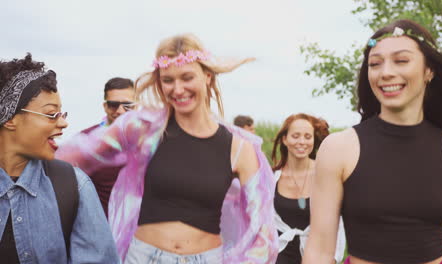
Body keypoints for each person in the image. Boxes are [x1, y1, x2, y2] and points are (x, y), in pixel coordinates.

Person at [57, 33, 278, 263]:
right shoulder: (143, 129)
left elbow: (263, 229)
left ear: (208, 77)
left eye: (187, 77)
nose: (178, 89)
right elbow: (77, 154)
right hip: (144, 256)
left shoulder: (240, 149)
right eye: (168, 80)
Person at [303, 19, 442, 264]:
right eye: (375, 63)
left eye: (401, 60)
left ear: (429, 70)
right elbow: (319, 251)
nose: (386, 72)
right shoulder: (339, 149)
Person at [0, 54, 119, 263]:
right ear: (10, 118)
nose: (63, 124)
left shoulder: (75, 185)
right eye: (51, 114)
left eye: (62, 114)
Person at [271, 113, 345, 264]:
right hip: (277, 257)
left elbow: (338, 224)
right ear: (285, 139)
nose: (301, 142)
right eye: (296, 136)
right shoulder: (271, 179)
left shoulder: (326, 175)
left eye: (307, 136)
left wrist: (333, 259)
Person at [80, 77, 136, 217]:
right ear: (105, 106)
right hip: (102, 229)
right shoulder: (86, 140)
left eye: (127, 105)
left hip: (143, 230)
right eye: (113, 105)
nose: (120, 111)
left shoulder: (149, 139)